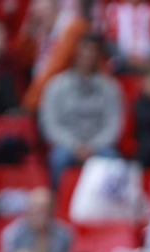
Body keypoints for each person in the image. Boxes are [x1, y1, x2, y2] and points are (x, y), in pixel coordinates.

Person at [38, 34, 123, 185]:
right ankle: (58, 204)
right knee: (58, 159)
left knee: (113, 160)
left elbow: (113, 124)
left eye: (93, 50)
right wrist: (75, 146)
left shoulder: (110, 88)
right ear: (74, 53)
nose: (88, 54)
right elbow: (50, 123)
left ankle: (109, 207)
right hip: (67, 145)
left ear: (98, 55)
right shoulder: (56, 85)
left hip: (99, 146)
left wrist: (93, 146)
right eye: (84, 49)